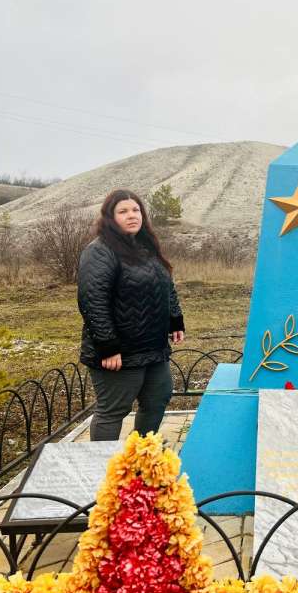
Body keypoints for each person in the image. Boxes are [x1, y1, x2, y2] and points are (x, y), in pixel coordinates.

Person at [77, 189, 185, 441]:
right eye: (123, 211)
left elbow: (166, 285)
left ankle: (141, 455)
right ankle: (101, 463)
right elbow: (93, 301)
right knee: (113, 410)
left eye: (136, 210)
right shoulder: (100, 251)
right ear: (110, 217)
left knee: (158, 398)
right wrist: (108, 346)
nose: (132, 215)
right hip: (119, 352)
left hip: (153, 347)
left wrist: (175, 319)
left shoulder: (146, 246)